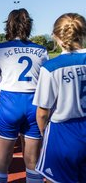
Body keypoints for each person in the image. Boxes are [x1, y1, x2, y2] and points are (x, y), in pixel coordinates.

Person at [0, 9, 48, 183]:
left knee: (1, 162)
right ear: (29, 26)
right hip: (35, 104)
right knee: (33, 163)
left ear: (9, 25)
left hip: (9, 102)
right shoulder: (41, 50)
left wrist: (0, 101)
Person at [33, 13, 86, 183]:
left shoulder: (51, 67)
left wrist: (43, 131)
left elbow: (42, 112)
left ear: (56, 36)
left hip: (63, 132)